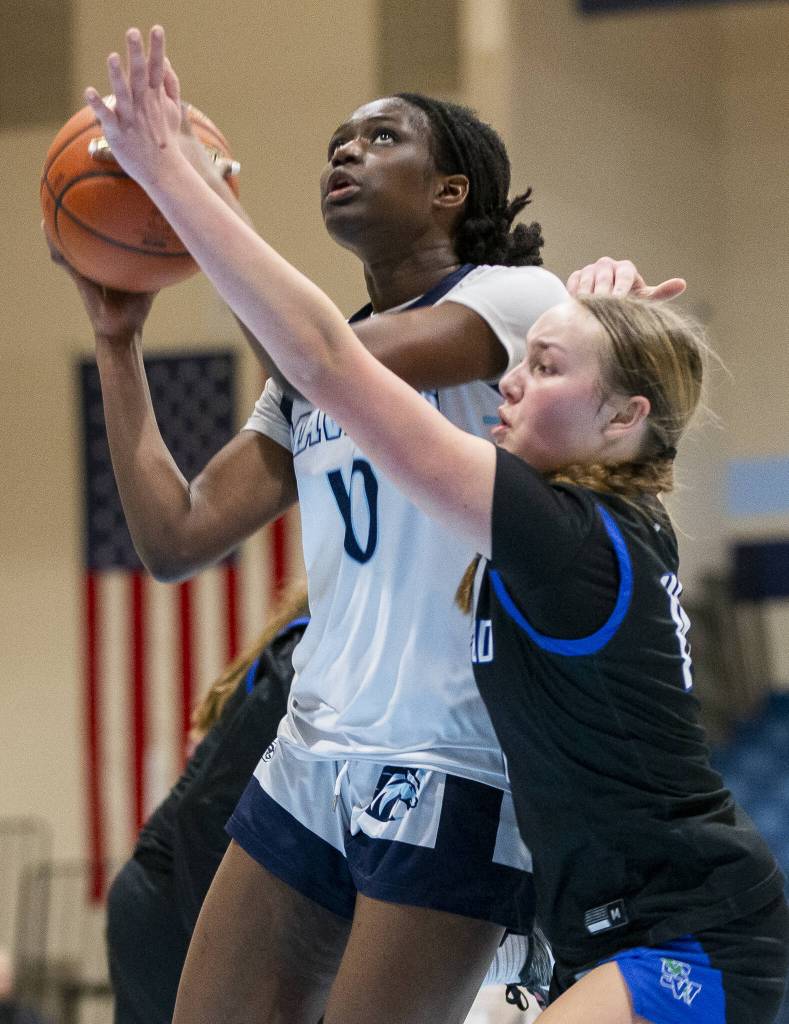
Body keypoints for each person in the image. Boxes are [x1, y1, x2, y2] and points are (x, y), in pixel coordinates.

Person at [84, 26, 789, 1024]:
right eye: (338, 137)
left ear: (452, 189)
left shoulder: (514, 303)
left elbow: (334, 361)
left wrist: (188, 195)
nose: (345, 150)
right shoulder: (334, 363)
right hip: (316, 739)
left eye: (380, 138)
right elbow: (176, 534)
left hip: (452, 763)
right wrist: (119, 343)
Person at [105, 588, 308, 1024]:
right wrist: (231, 955)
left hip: (169, 896)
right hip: (166, 901)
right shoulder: (303, 660)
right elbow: (205, 813)